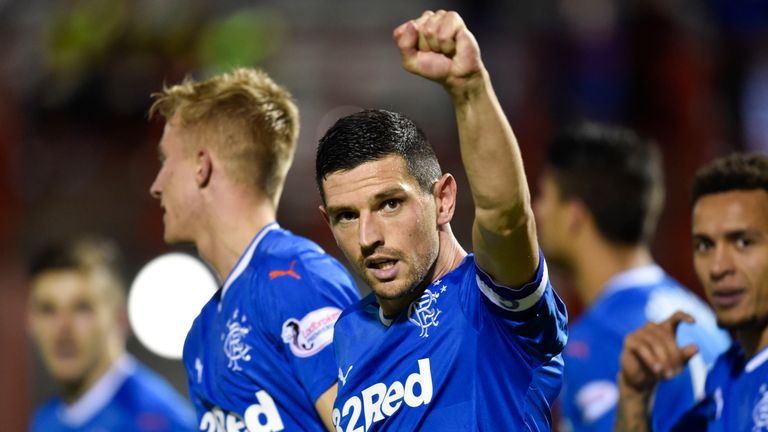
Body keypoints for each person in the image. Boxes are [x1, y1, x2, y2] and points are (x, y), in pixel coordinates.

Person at [314, 10, 567, 431]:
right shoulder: (349, 332)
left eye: (390, 204)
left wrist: (469, 89)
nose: (367, 236)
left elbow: (505, 218)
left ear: (444, 200)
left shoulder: (490, 302)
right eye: (346, 215)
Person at [148, 67, 359, 432]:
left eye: (166, 162)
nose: (156, 184)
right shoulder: (201, 333)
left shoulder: (295, 279)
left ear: (201, 166)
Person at [532, 123, 730, 432]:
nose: (537, 211)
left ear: (574, 215)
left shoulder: (597, 341)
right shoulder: (701, 316)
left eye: (545, 196)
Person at [615, 152, 768, 431]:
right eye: (705, 245)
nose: (718, 267)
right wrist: (634, 396)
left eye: (744, 242)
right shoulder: (724, 378)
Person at [27, 236, 196, 432]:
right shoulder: (46, 420)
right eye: (48, 310)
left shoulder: (160, 422)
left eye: (82, 308)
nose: (63, 327)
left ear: (119, 320)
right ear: (30, 322)